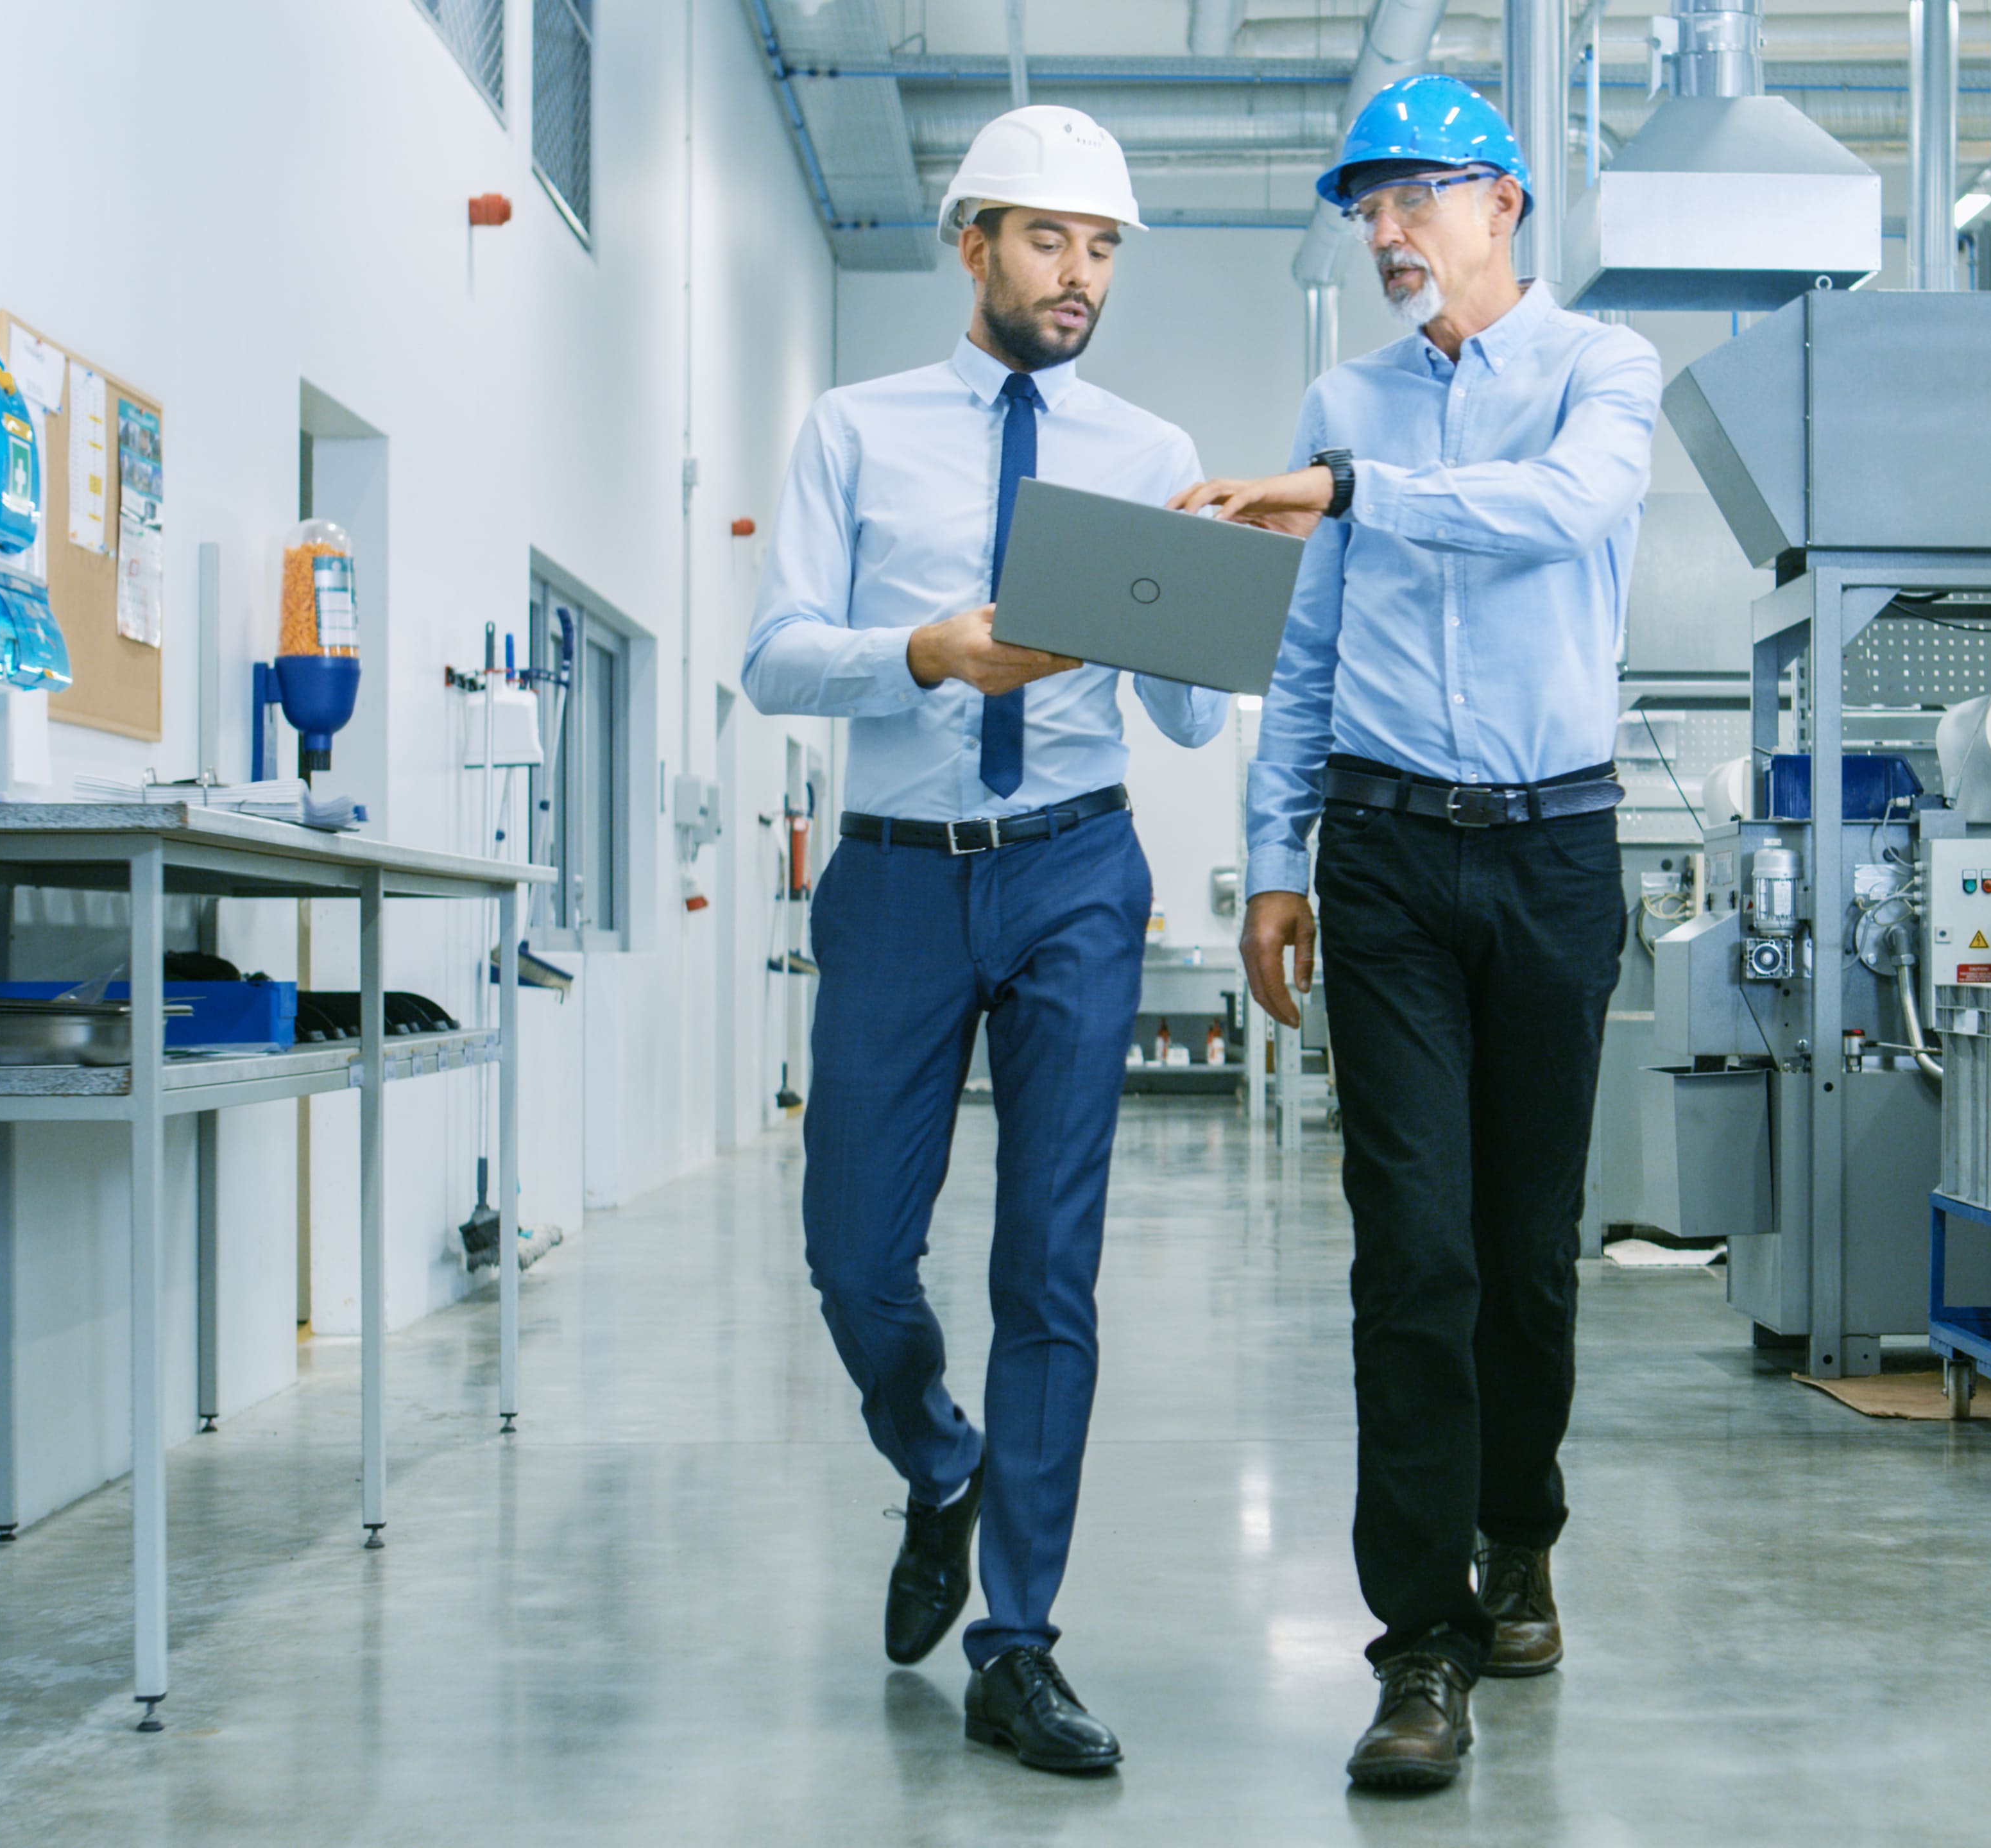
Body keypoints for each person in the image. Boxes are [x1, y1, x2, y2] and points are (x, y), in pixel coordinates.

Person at [1172, 74, 1661, 1794]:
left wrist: (1352, 490)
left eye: (1413, 198)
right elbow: (1307, 653)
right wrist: (1270, 854)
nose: (1382, 233)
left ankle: (1520, 1527)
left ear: (1503, 203)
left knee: (1527, 1256)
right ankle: (1422, 1642)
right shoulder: (1344, 403)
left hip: (1555, 852)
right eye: (1365, 207)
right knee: (1416, 1256)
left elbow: (1568, 513)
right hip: (1380, 854)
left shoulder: (1602, 373)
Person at [741, 103, 1223, 1777]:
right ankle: (939, 1462)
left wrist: (1226, 592)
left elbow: (1181, 713)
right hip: (895, 874)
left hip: (1079, 866)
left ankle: (1018, 1646)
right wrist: (929, 655)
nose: (1079, 275)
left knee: (1048, 1266)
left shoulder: (1152, 449)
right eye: (1047, 240)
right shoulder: (854, 433)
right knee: (856, 1256)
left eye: (1101, 249)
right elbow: (775, 656)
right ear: (973, 244)